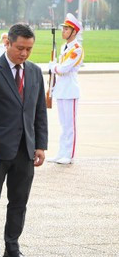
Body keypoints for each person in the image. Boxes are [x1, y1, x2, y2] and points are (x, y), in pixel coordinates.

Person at [0, 23, 47, 257]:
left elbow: (39, 111)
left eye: (29, 49)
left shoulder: (35, 72)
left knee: (19, 201)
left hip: (25, 149)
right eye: (20, 48)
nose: (24, 54)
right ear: (8, 42)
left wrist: (41, 144)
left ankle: (12, 247)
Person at [49, 13, 84, 165]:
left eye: (66, 29)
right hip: (62, 90)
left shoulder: (76, 49)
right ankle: (61, 152)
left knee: (70, 125)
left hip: (70, 90)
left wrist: (53, 66)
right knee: (63, 125)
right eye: (63, 29)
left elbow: (64, 68)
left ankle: (69, 155)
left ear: (74, 32)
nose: (63, 31)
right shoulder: (65, 47)